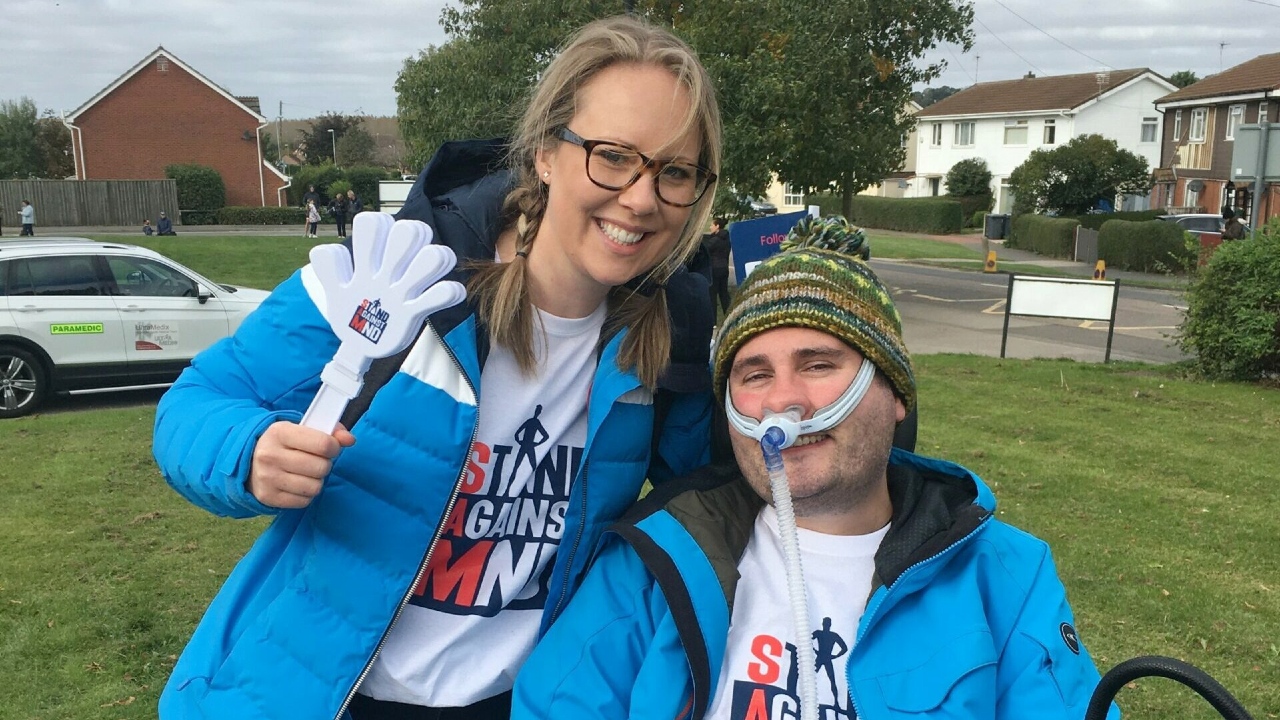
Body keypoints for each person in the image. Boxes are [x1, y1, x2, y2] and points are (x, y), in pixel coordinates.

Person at [152, 15, 722, 720]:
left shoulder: (671, 338)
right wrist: (249, 452)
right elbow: (202, 400)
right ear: (546, 153)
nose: (640, 198)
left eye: (674, 172)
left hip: (519, 701)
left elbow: (710, 503)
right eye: (612, 156)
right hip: (326, 694)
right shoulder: (395, 273)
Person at [513, 216, 1117, 720]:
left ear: (895, 391)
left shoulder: (1005, 577)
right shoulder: (650, 563)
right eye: (755, 375)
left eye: (819, 363)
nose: (783, 402)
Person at [701, 216, 731, 315]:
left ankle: (713, 321)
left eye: (712, 225)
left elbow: (704, 251)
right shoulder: (726, 239)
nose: (710, 227)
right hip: (724, 269)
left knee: (712, 295)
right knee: (724, 294)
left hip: (714, 270)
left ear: (717, 226)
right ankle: (728, 314)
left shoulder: (714, 241)